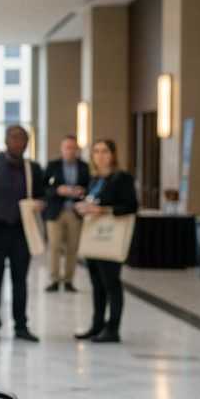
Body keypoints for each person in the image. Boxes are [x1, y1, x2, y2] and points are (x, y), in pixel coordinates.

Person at [0, 124, 46, 341]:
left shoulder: (32, 168)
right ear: (6, 141)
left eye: (23, 140)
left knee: (20, 279)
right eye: (15, 139)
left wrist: (40, 203)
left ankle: (21, 326)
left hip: (22, 231)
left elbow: (43, 195)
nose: (19, 143)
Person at [75, 138, 138, 344]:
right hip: (94, 238)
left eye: (104, 151)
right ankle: (97, 324)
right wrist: (83, 207)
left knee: (111, 283)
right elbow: (92, 201)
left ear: (112, 155)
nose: (100, 156)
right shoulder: (93, 179)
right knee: (97, 284)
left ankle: (113, 328)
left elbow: (131, 206)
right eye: (96, 151)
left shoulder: (121, 178)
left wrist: (103, 210)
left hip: (110, 237)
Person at [43, 134, 90, 293]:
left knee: (72, 247)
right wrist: (57, 190)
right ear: (61, 149)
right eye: (67, 147)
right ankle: (54, 279)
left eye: (73, 147)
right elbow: (44, 189)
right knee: (54, 246)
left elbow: (90, 187)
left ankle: (68, 280)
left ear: (77, 149)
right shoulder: (52, 165)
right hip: (56, 211)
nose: (70, 150)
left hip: (75, 212)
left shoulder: (84, 167)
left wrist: (82, 191)